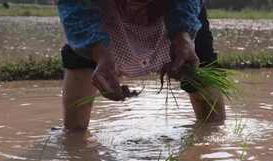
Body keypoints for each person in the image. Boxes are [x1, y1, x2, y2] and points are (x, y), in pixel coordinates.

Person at [57, 0, 226, 131]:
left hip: (173, 7)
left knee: (212, 119)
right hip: (99, 9)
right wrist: (99, 53)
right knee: (74, 129)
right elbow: (74, 6)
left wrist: (184, 34)